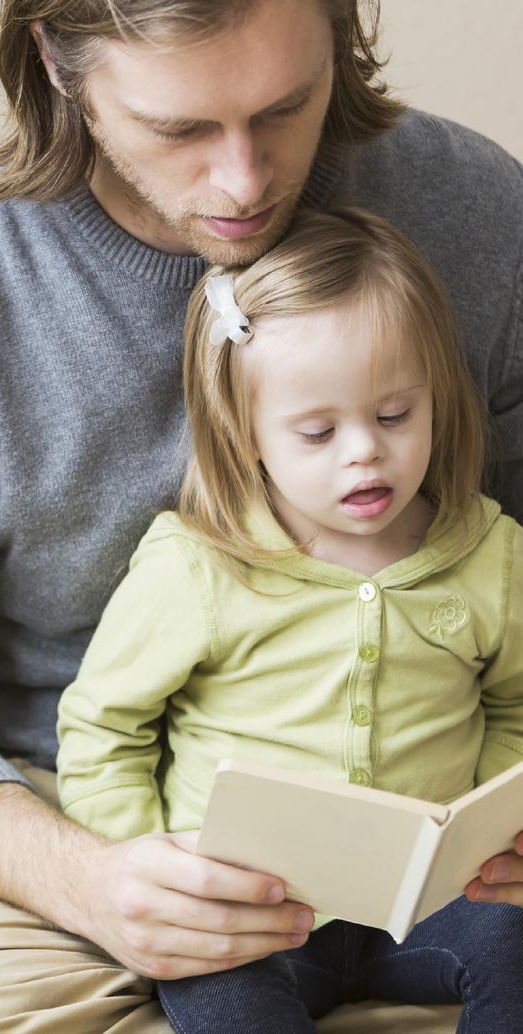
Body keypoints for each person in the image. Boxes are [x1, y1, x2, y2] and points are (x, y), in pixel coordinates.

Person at [0, 1, 523, 1030]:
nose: (244, 179)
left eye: (286, 106)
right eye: (179, 128)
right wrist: (92, 879)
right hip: (85, 805)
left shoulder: (480, 212)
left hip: (441, 792)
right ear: (58, 63)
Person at [56, 205, 523, 1033]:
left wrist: (488, 835)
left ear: (436, 400)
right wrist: (143, 861)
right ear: (247, 437)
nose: (364, 453)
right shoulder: (199, 565)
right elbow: (103, 730)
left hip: (431, 905)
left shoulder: (488, 552)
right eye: (316, 431)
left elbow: (515, 707)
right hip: (249, 913)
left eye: (394, 416)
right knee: (221, 995)